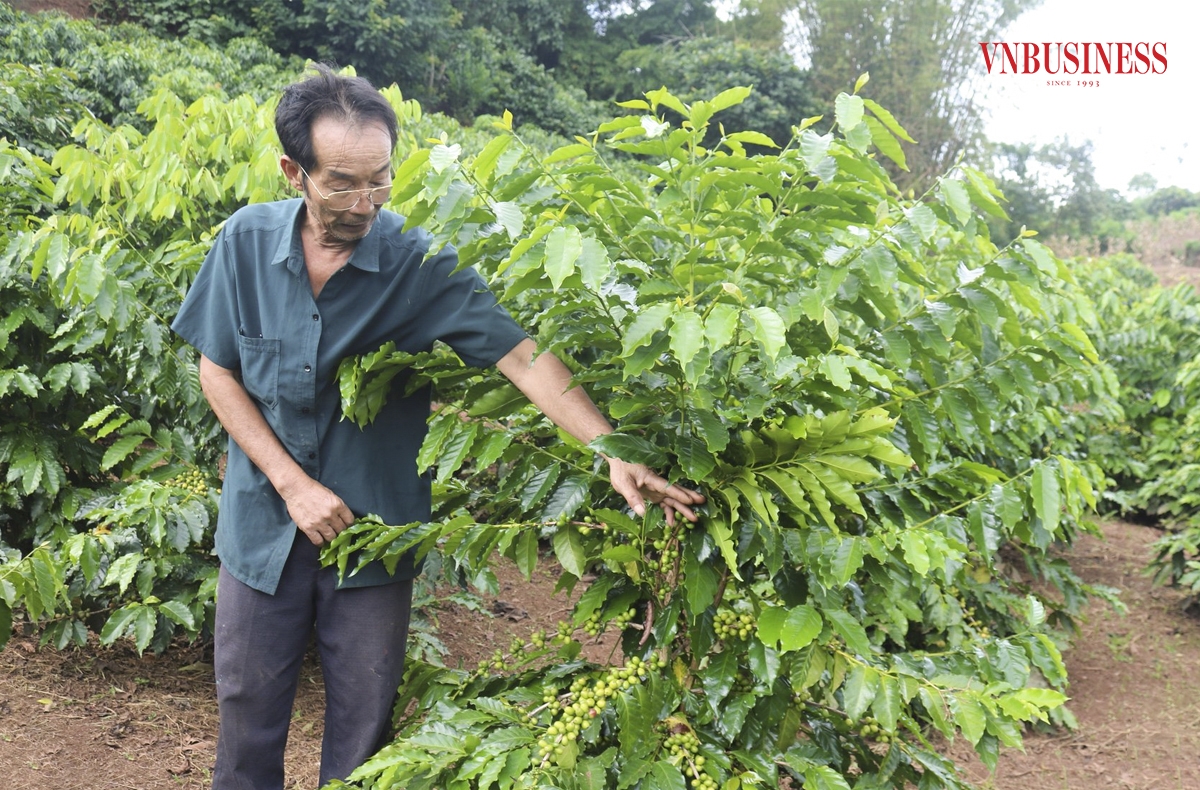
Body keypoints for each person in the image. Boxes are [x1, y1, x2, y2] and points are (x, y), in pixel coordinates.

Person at [170, 63, 705, 789]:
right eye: (343, 183)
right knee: (246, 711)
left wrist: (610, 448)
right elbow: (217, 369)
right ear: (293, 171)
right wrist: (291, 484)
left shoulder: (417, 266)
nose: (366, 201)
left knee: (363, 726)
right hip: (262, 527)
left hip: (375, 534)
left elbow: (522, 355)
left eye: (381, 179)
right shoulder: (243, 243)